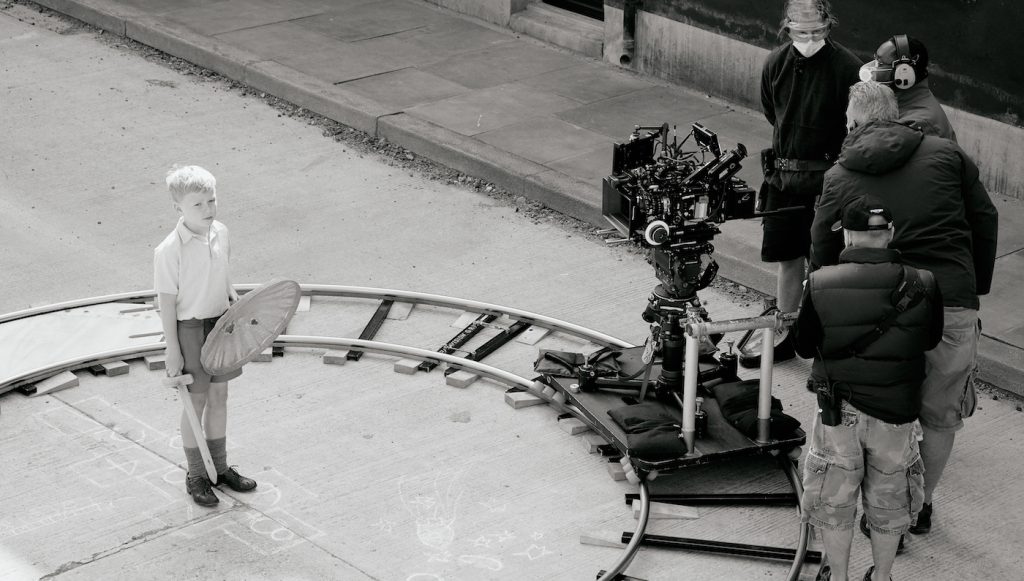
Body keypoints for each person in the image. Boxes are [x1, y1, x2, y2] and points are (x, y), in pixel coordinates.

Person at [811, 81, 999, 536]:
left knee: (874, 411)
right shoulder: (947, 155)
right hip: (950, 301)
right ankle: (919, 507)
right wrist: (972, 285)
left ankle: (877, 513)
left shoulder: (839, 176)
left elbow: (820, 245)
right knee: (939, 414)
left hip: (875, 306)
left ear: (852, 122)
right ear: (895, 114)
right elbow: (985, 217)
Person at [794, 196, 943, 581]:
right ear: (890, 233)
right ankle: (882, 577)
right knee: (890, 503)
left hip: (837, 411)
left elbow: (803, 347)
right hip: (897, 412)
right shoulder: (923, 283)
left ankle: (838, 576)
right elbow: (929, 341)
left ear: (847, 236)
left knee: (834, 500)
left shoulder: (821, 283)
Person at [754, 0, 861, 364]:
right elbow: (772, 112)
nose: (810, 38)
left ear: (829, 25)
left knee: (825, 264)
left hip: (827, 179)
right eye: (801, 32)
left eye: (817, 31)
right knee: (787, 258)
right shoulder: (776, 63)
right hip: (783, 177)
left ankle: (822, 335)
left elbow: (855, 126)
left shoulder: (847, 67)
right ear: (787, 26)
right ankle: (786, 330)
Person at [155, 165, 258, 506]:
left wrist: (230, 293)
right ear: (178, 209)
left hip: (220, 324)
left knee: (219, 398)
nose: (208, 209)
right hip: (190, 330)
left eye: (212, 200)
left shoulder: (221, 232)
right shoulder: (169, 250)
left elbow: (221, 270)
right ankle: (197, 473)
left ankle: (222, 466)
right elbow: (167, 303)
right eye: (197, 204)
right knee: (195, 402)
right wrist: (173, 349)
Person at [858, 35, 956, 141]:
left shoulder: (917, 124)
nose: (871, 68)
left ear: (904, 72)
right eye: (875, 60)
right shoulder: (901, 103)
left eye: (880, 63)